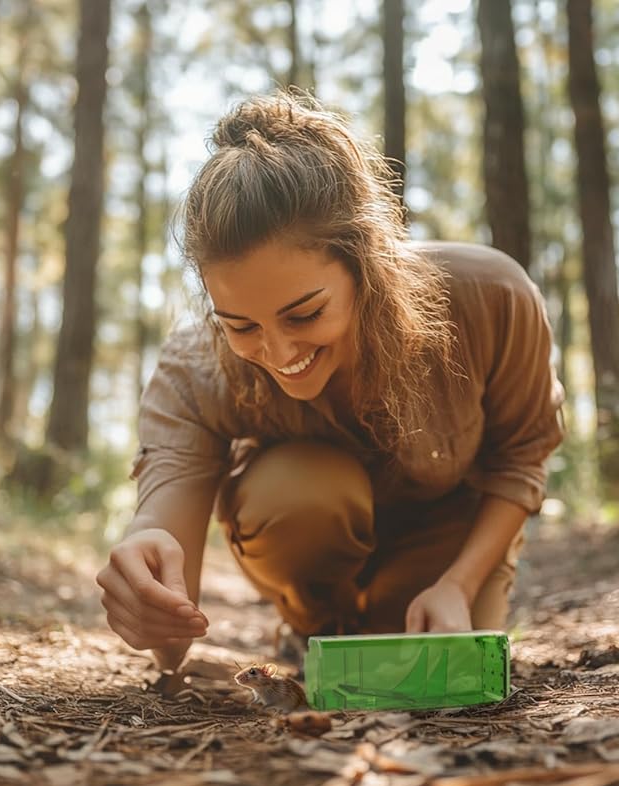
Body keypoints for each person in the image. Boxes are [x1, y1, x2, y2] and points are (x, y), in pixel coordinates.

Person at [96, 91, 565, 672]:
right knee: (305, 495)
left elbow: (520, 460)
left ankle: (398, 610)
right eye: (240, 324)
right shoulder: (196, 367)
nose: (278, 350)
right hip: (308, 532)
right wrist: (151, 590)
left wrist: (458, 585)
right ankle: (316, 626)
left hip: (449, 537)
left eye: (305, 314)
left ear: (366, 266)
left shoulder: (489, 297)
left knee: (433, 667)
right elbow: (169, 621)